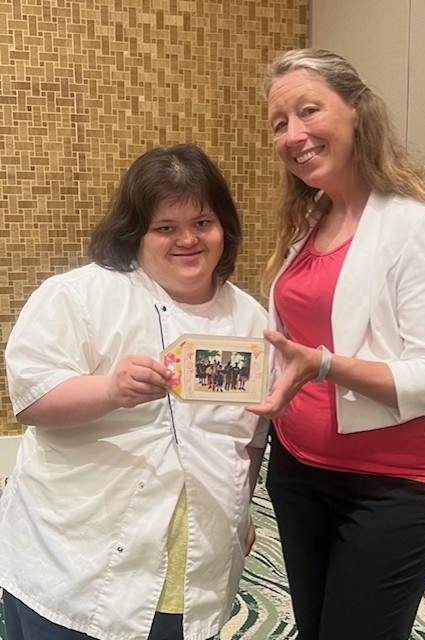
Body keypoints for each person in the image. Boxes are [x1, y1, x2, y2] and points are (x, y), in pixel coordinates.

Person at [0, 143, 268, 640]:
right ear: (136, 233)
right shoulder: (79, 295)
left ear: (224, 229)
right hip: (77, 557)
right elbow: (31, 400)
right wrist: (110, 390)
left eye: (203, 223)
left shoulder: (250, 318)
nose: (187, 240)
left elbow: (249, 438)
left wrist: (241, 509)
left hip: (198, 555)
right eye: (166, 227)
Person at [249, 48, 425, 640]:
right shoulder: (307, 224)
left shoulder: (417, 224)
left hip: (392, 487)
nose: (293, 134)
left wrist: (324, 365)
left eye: (308, 111)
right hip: (297, 474)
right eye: (279, 123)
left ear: (356, 111)